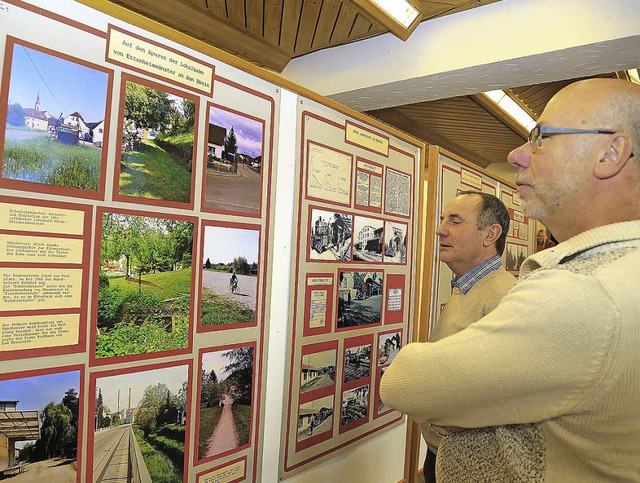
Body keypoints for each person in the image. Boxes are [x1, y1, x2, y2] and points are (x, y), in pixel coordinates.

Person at [380, 78, 640, 482]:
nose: (516, 154)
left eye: (541, 137)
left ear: (610, 153)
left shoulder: (582, 291)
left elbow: (404, 383)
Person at [422, 191, 516, 483]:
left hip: (471, 466)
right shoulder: (465, 288)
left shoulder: (504, 297)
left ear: (490, 234)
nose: (440, 229)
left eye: (455, 221)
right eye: (442, 219)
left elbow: (503, 394)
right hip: (443, 455)